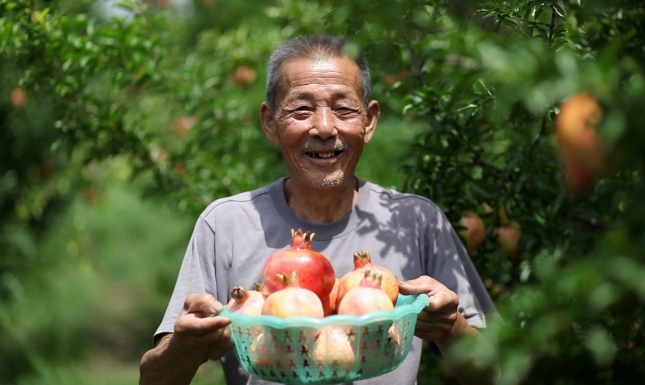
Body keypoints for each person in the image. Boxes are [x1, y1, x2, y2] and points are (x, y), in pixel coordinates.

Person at [139, 35, 497, 385]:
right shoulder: (226, 224)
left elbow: (496, 373)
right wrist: (184, 348)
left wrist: (452, 328)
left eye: (343, 109)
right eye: (301, 109)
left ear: (369, 121)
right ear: (270, 122)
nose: (325, 128)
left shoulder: (416, 222)